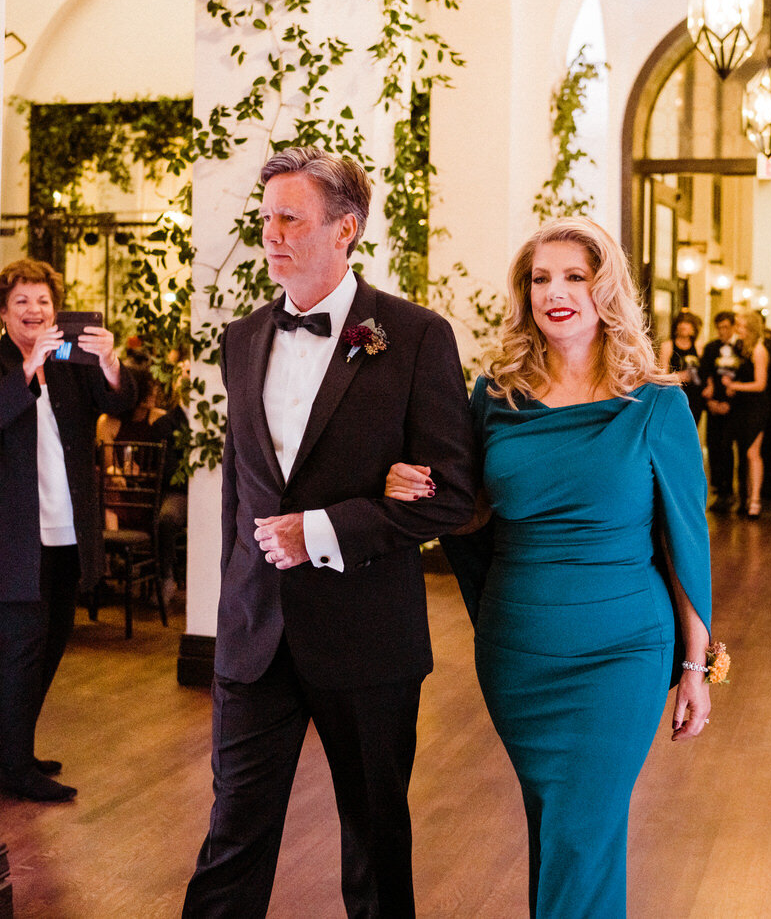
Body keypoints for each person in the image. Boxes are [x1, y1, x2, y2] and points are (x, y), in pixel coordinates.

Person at [386, 216, 714, 919]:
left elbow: (684, 540)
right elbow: (470, 514)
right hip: (520, 651)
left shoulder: (658, 404)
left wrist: (696, 667)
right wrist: (409, 487)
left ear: (606, 290)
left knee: (580, 829)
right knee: (558, 825)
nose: (555, 292)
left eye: (575, 276)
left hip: (622, 652)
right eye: (541, 278)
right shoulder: (495, 399)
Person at [181, 148, 477, 919]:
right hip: (255, 636)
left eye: (290, 218)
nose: (270, 234)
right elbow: (240, 497)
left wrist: (324, 528)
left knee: (375, 845)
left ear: (345, 228)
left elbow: (455, 494)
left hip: (366, 637)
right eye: (266, 217)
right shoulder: (242, 338)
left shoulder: (413, 336)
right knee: (230, 841)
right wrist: (227, 621)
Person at [0, 258, 137, 803]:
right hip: (18, 537)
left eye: (43, 302)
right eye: (22, 302)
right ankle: (11, 767)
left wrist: (108, 361)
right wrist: (27, 370)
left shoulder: (72, 360)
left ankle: (18, 752)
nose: (35, 311)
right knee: (21, 650)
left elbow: (119, 400)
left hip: (66, 531)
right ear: (5, 312)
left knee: (52, 644)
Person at [98, 358, 188, 605]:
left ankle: (120, 565)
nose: (155, 392)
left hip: (149, 493)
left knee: (128, 506)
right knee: (109, 499)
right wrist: (116, 471)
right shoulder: (108, 422)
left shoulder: (160, 420)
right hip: (121, 490)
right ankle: (111, 566)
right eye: (149, 388)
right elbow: (107, 465)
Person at [724, 308, 771, 518]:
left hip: (756, 407)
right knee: (743, 453)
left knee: (753, 454)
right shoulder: (741, 347)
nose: (739, 330)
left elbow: (760, 384)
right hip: (742, 407)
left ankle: (755, 501)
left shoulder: (759, 350)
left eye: (742, 326)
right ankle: (746, 498)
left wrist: (735, 386)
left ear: (751, 328)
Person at [699, 310, 742, 511]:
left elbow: (744, 376)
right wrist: (711, 402)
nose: (723, 331)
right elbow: (704, 374)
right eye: (720, 328)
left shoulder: (741, 348)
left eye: (726, 327)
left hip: (734, 406)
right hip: (714, 405)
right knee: (714, 447)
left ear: (733, 327)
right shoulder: (711, 348)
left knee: (728, 448)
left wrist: (730, 403)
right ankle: (719, 491)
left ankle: (732, 491)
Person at [656, 310, 704, 421]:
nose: (683, 325)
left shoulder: (699, 345)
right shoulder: (667, 345)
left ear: (693, 328)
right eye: (681, 323)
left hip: (695, 395)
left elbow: (705, 370)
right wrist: (678, 376)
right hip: (675, 393)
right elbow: (662, 375)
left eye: (687, 323)